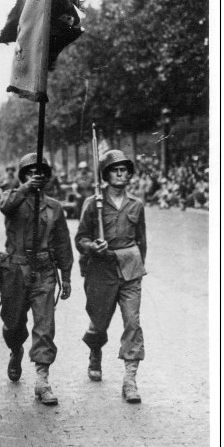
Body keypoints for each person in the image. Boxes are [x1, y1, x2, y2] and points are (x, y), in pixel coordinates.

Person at [0, 153, 73, 405]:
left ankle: (42, 380)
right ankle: (16, 349)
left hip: (44, 270)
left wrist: (67, 275)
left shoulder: (54, 207)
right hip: (15, 269)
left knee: (44, 325)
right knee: (13, 323)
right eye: (29, 173)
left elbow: (62, 243)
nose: (35, 178)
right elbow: (5, 207)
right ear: (22, 177)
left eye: (39, 174)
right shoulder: (12, 198)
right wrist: (25, 189)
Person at [75, 149, 147, 403]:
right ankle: (95, 350)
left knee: (132, 322)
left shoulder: (136, 205)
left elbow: (141, 241)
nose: (120, 173)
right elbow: (80, 237)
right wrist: (91, 246)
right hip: (101, 270)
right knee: (99, 321)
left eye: (125, 169)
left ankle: (130, 380)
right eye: (115, 169)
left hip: (129, 269)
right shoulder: (92, 203)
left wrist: (138, 268)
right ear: (105, 174)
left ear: (129, 175)